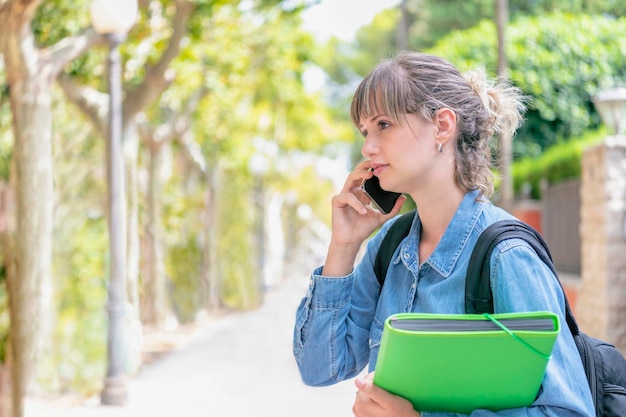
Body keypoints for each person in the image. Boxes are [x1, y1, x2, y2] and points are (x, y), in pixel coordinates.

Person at [292, 51, 594, 417]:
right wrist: (343, 246)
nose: (367, 147)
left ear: (442, 126)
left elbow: (569, 411)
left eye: (383, 125)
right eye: (365, 131)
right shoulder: (390, 248)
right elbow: (320, 369)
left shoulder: (506, 256)